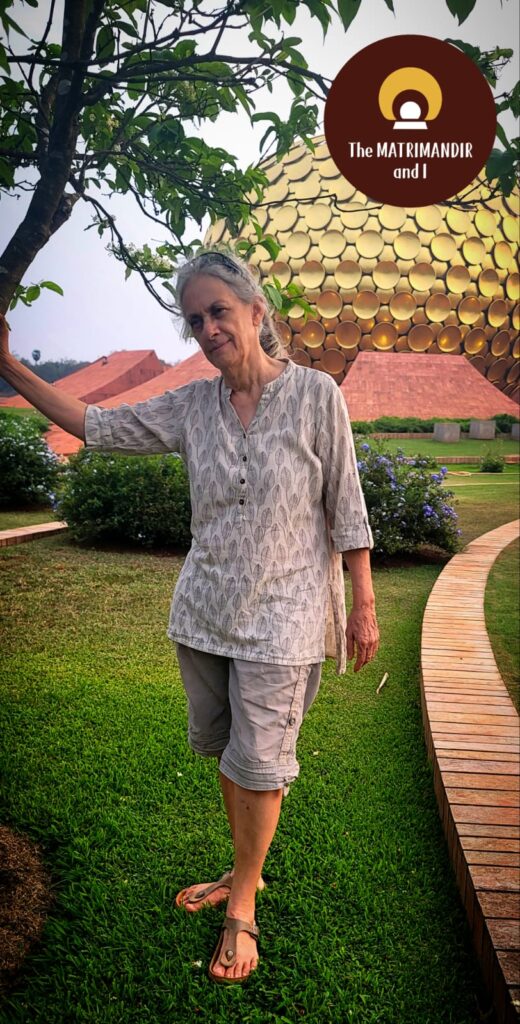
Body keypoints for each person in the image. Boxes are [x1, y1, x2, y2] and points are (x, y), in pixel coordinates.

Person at [0, 249, 379, 984]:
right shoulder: (192, 405)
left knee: (262, 762)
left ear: (256, 312)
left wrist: (363, 606)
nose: (207, 328)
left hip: (286, 614)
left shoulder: (315, 397)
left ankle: (242, 906)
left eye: (219, 312)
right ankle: (248, 870)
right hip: (205, 611)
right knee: (231, 753)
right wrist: (11, 370)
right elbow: (98, 424)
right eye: (195, 318)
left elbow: (347, 505)